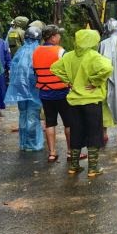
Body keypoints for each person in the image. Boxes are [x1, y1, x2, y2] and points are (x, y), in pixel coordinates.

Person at [51, 29, 114, 177]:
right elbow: (107, 68)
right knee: (94, 132)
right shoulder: (94, 56)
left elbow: (55, 68)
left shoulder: (69, 56)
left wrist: (69, 82)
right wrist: (95, 82)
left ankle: (74, 165)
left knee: (76, 132)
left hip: (74, 101)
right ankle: (93, 168)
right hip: (92, 100)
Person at [34, 25, 82, 162]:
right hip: (61, 92)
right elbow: (71, 67)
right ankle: (70, 152)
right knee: (68, 123)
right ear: (53, 37)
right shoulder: (61, 51)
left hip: (44, 92)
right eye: (59, 35)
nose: (60, 37)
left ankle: (52, 153)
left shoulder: (36, 51)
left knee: (50, 122)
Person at [5, 26, 43, 151]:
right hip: (34, 89)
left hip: (20, 89)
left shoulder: (20, 52)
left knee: (23, 115)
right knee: (32, 116)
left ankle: (23, 144)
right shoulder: (39, 51)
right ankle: (32, 145)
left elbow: (14, 71)